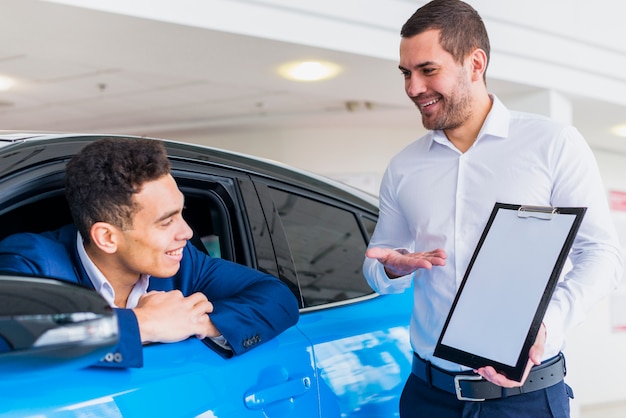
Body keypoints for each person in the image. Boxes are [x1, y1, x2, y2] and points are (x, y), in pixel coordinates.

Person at [363, 0, 623, 417]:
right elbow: (378, 268)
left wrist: (545, 327)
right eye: (406, 74)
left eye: (428, 70)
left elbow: (601, 256)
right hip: (428, 397)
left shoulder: (552, 144)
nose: (413, 88)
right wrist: (394, 268)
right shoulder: (403, 168)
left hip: (525, 401)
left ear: (475, 63)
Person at [0, 137, 299, 368]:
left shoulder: (184, 264)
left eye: (183, 213)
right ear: (106, 237)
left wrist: (197, 322)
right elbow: (12, 334)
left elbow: (278, 297)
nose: (187, 233)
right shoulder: (32, 260)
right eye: (167, 221)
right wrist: (145, 323)